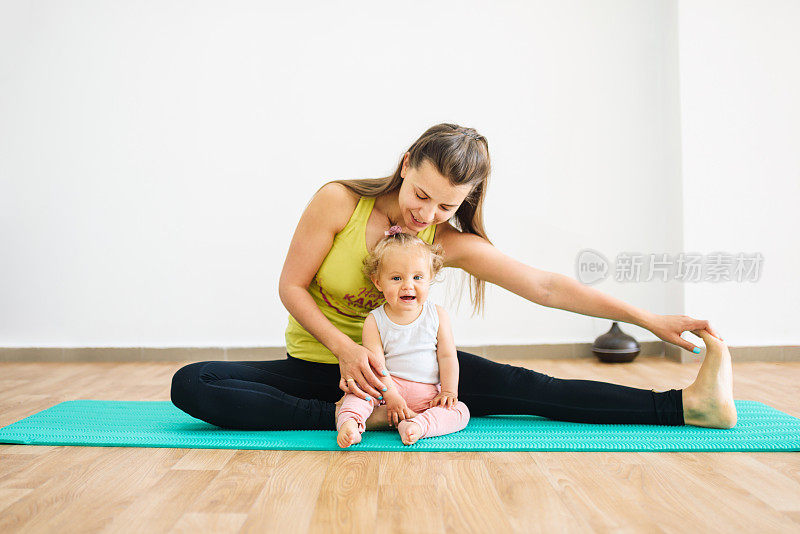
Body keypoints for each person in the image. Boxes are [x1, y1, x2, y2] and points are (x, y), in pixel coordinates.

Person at [170, 123, 737, 432]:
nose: (425, 215)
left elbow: (543, 285)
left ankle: (684, 408)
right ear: (405, 163)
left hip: (420, 376)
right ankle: (365, 416)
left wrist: (646, 318)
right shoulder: (338, 202)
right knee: (192, 384)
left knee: (537, 391)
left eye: (445, 206)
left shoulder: (446, 241)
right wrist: (346, 350)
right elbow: (290, 286)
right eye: (420, 195)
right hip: (324, 369)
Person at [336, 228, 469, 448]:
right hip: (387, 387)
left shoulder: (437, 315)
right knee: (357, 398)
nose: (408, 285)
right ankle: (350, 424)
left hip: (427, 395)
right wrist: (391, 395)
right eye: (396, 278)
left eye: (417, 277)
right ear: (378, 282)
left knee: (460, 412)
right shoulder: (375, 320)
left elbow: (447, 357)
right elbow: (376, 366)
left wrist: (448, 391)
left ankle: (418, 425)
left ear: (430, 278)